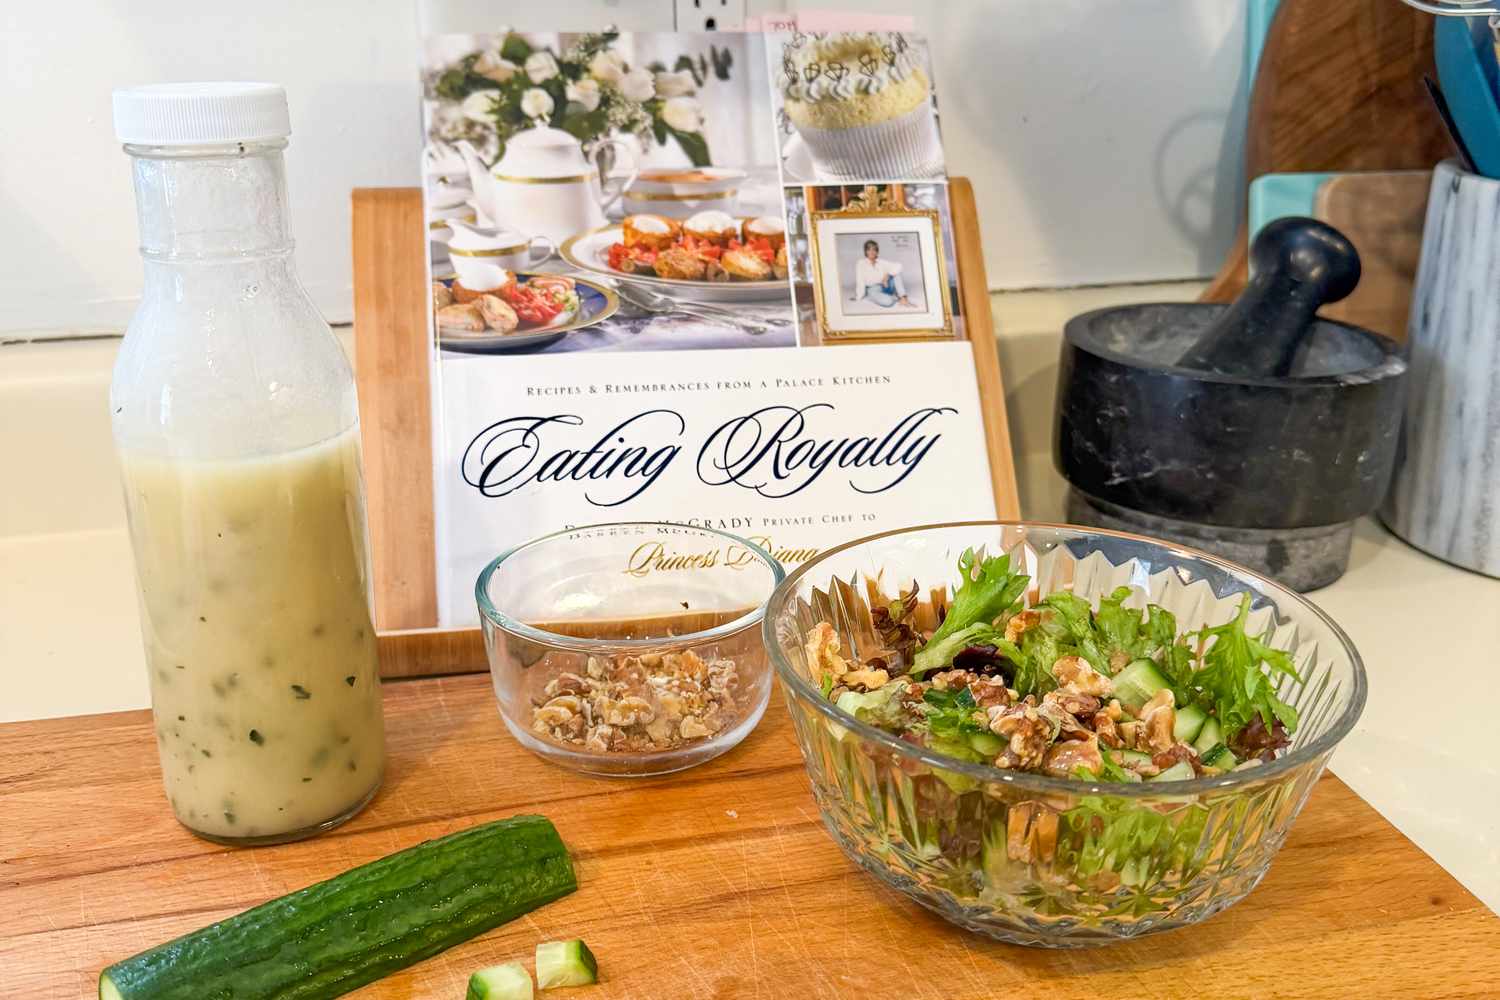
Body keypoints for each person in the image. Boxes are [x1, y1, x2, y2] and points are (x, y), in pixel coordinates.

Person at [850, 239, 912, 308]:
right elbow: (860, 280)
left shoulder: (881, 262)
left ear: (877, 252)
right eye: (869, 249)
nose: (872, 252)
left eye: (874, 250)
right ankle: (893, 298)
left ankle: (903, 297)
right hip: (873, 289)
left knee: (896, 274)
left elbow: (899, 266)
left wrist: (888, 275)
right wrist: (858, 297)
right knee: (888, 302)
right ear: (866, 251)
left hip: (885, 286)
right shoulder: (861, 263)